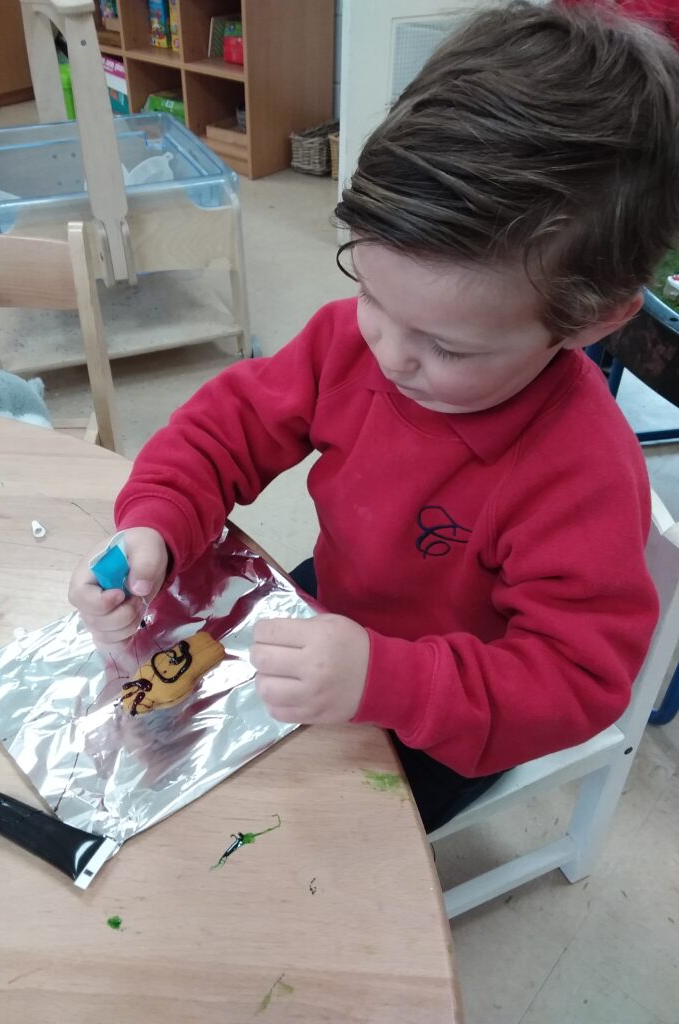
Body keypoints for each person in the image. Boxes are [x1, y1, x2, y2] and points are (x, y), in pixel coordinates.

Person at [69, 1, 679, 832]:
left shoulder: (580, 472)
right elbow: (225, 431)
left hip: (443, 719)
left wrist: (385, 681)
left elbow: (576, 683)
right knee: (164, 764)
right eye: (369, 291)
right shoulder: (352, 345)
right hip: (334, 609)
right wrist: (155, 527)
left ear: (595, 320)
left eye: (447, 346)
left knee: (293, 848)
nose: (388, 354)